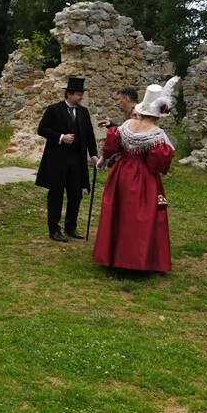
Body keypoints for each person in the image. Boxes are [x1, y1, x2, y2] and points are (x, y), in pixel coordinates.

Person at [93, 78, 179, 272]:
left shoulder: (125, 126)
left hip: (121, 172)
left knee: (118, 211)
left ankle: (113, 256)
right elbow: (156, 164)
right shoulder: (156, 134)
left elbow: (110, 149)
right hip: (143, 177)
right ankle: (137, 260)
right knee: (140, 215)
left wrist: (102, 161)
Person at [36, 77, 99, 242]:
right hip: (58, 160)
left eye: (81, 94)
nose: (81, 97)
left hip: (77, 160)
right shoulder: (54, 109)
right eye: (78, 94)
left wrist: (93, 155)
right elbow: (42, 129)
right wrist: (61, 137)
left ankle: (71, 227)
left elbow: (89, 135)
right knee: (56, 194)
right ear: (69, 94)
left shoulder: (83, 112)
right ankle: (54, 229)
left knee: (75, 194)